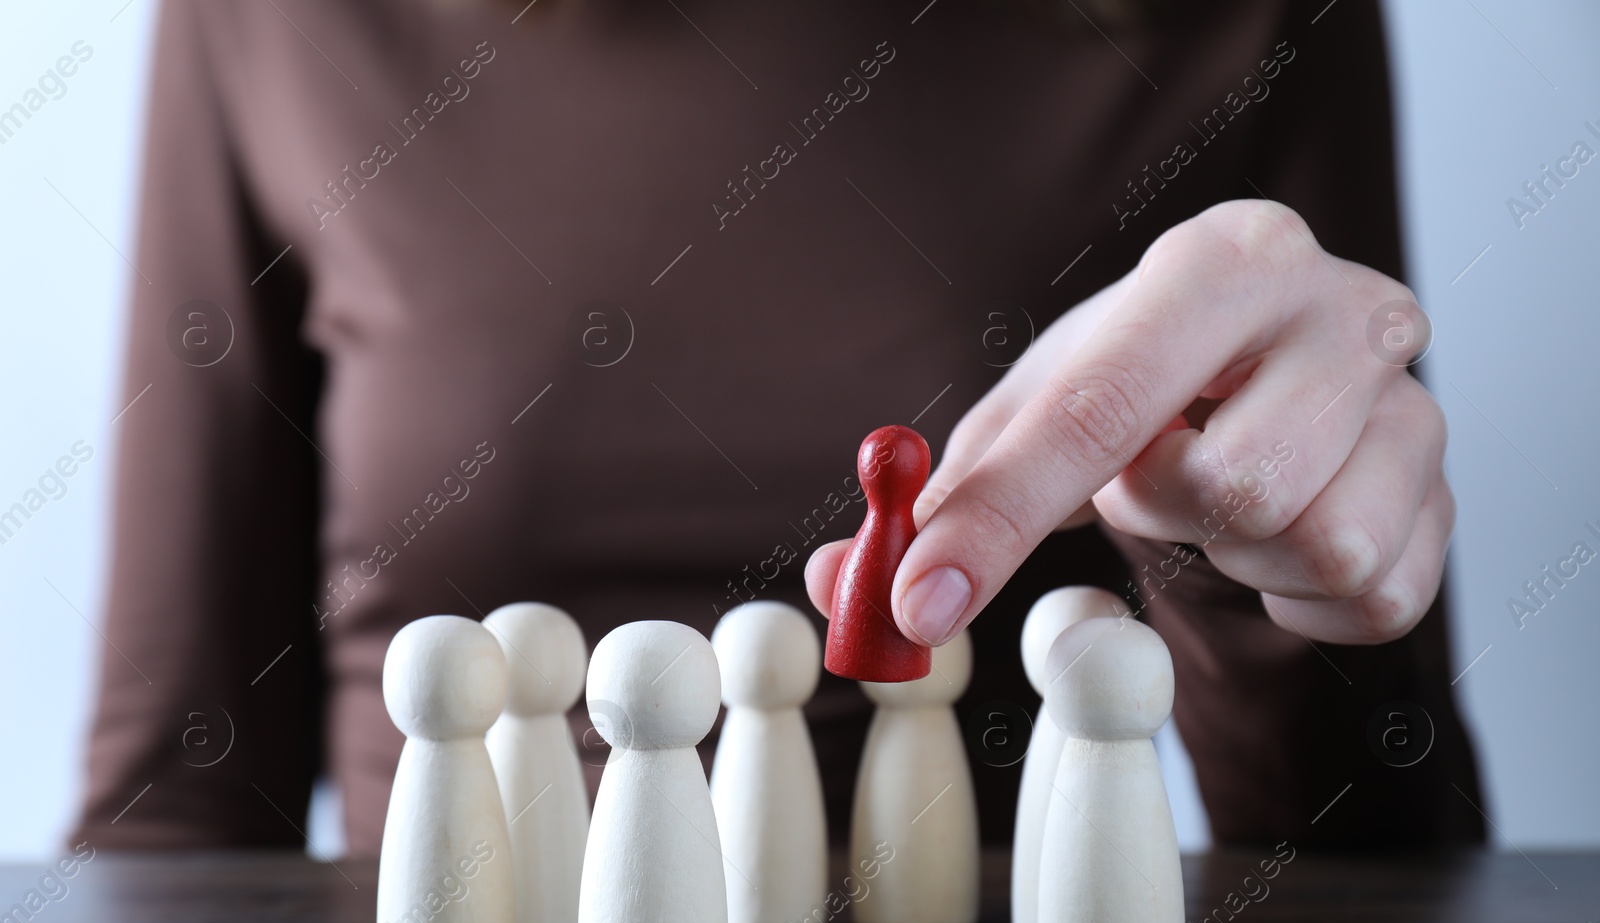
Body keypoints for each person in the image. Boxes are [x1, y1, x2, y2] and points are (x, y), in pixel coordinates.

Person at [74, 0, 1484, 855]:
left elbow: (1377, 849)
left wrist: (1260, 573)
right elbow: (177, 815)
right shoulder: (274, 21)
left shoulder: (1237, 21)